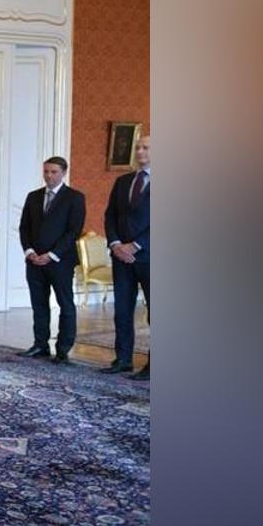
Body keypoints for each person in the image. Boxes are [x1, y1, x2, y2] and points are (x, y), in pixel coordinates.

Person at [17, 156, 87, 364]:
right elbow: (24, 228)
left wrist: (51, 255)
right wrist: (30, 252)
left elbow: (73, 231)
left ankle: (63, 350)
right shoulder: (33, 197)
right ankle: (40, 345)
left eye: (53, 172)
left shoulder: (75, 198)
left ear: (63, 172)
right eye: (46, 171)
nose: (49, 176)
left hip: (60, 261)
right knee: (39, 305)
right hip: (34, 261)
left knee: (65, 304)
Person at [101, 135, 151, 380]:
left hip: (151, 257)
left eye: (145, 147)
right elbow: (110, 215)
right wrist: (116, 244)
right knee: (122, 310)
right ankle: (123, 359)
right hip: (121, 258)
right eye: (137, 147)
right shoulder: (123, 181)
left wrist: (136, 245)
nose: (139, 151)